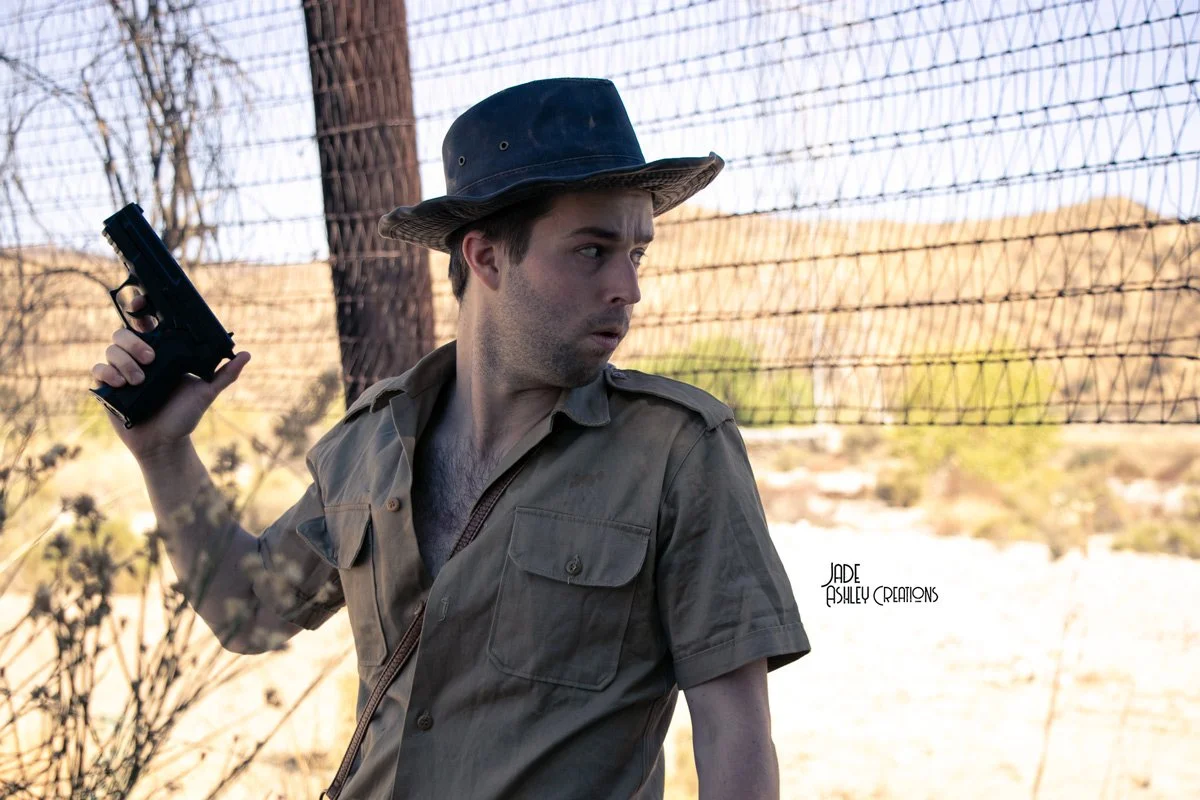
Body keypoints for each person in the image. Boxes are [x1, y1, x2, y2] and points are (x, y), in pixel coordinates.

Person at [92, 77, 811, 799]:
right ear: (487, 258)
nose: (628, 287)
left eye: (637, 253)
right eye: (593, 251)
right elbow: (246, 615)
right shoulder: (373, 443)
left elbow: (734, 733)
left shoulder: (677, 450)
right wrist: (161, 451)